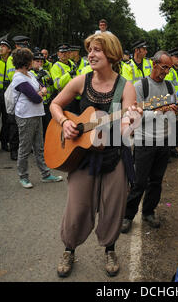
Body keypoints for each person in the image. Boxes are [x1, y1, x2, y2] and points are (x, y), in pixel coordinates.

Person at [50, 32, 142, 278]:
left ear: (111, 54)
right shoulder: (82, 81)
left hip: (113, 156)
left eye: (97, 50)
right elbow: (55, 104)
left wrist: (131, 124)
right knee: (77, 207)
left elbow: (124, 128)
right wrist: (64, 123)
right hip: (82, 157)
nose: (91, 54)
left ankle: (110, 248)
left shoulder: (126, 87)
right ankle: (69, 249)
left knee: (113, 206)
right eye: (90, 50)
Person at [121, 50, 178, 233]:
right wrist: (157, 112)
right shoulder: (140, 86)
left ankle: (148, 212)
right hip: (144, 141)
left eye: (169, 68)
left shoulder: (170, 87)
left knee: (156, 181)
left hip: (163, 141)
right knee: (139, 182)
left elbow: (173, 112)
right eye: (164, 67)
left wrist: (173, 111)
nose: (166, 72)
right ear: (154, 64)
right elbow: (133, 115)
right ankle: (128, 215)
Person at [9, 48, 62, 188]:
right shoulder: (19, 78)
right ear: (25, 62)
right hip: (26, 116)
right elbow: (36, 98)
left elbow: (43, 88)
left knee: (39, 147)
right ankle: (23, 177)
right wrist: (41, 92)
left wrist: (41, 92)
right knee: (25, 148)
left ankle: (45, 174)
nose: (34, 62)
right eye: (31, 60)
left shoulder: (30, 74)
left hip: (36, 114)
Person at [29, 51, 55, 138]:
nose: (40, 63)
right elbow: (30, 89)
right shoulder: (29, 73)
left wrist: (51, 83)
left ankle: (46, 143)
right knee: (36, 128)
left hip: (47, 104)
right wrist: (38, 78)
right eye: (37, 61)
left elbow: (51, 89)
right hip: (36, 105)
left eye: (41, 61)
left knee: (47, 126)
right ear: (32, 62)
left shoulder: (46, 72)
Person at [50, 43, 79, 113]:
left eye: (66, 52)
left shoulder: (72, 64)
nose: (64, 54)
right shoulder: (56, 66)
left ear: (69, 53)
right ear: (58, 54)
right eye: (62, 52)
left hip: (75, 97)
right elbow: (57, 85)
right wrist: (69, 74)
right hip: (64, 98)